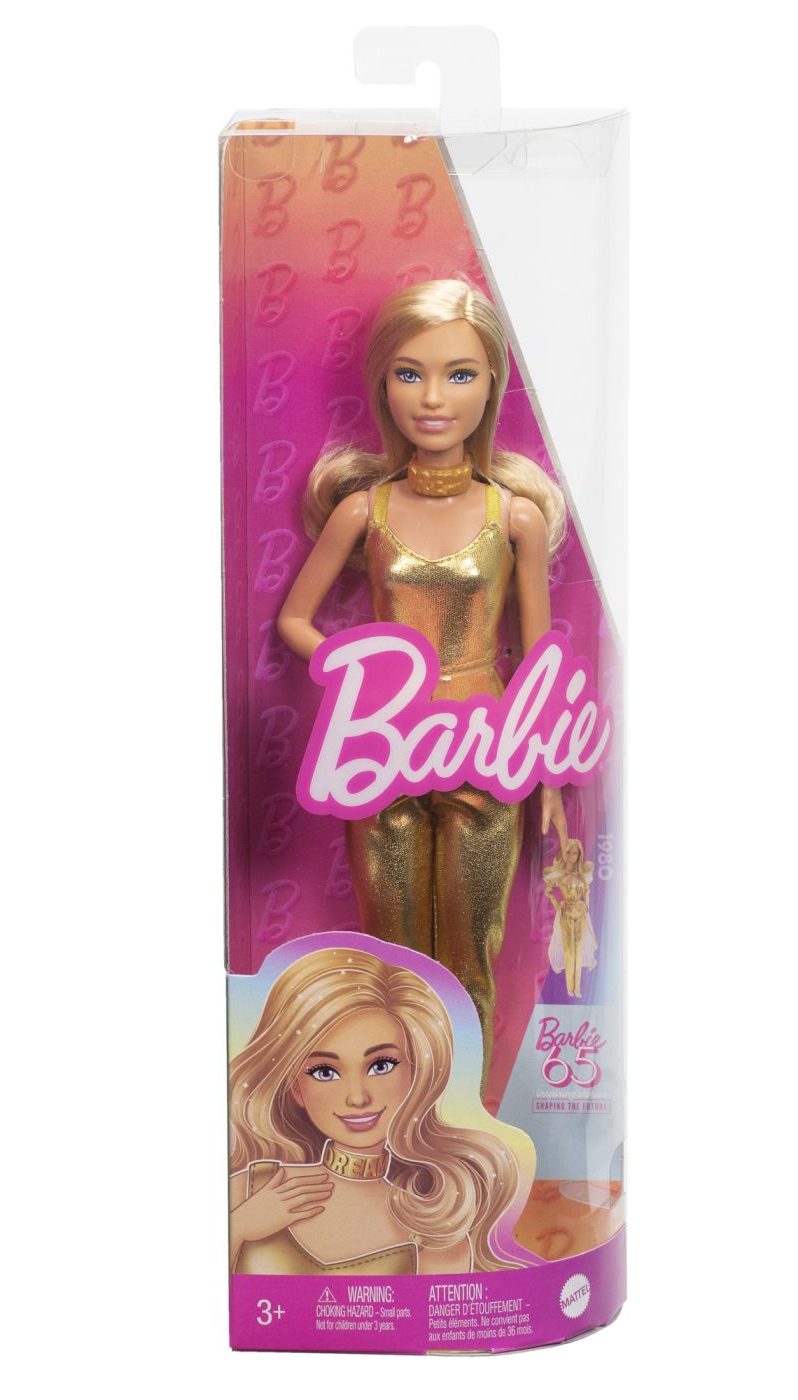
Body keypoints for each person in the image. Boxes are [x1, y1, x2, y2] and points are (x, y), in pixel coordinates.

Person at [278, 278, 572, 1092]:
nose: (433, 398)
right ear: (382, 385)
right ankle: (399, 1115)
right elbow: (297, 618)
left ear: (493, 383)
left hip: (483, 754)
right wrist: (363, 683)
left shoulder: (512, 517)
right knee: (392, 960)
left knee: (472, 952)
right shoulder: (364, 512)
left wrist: (549, 774)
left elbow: (538, 656)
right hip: (383, 755)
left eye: (459, 374)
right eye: (409, 374)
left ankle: (466, 1114)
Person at [229, 945, 524, 1274]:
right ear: (296, 1086)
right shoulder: (252, 1188)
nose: (357, 1098)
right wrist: (240, 1225)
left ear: (416, 1073)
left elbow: (438, 1307)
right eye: (324, 1072)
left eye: (381, 1065)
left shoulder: (434, 1224)